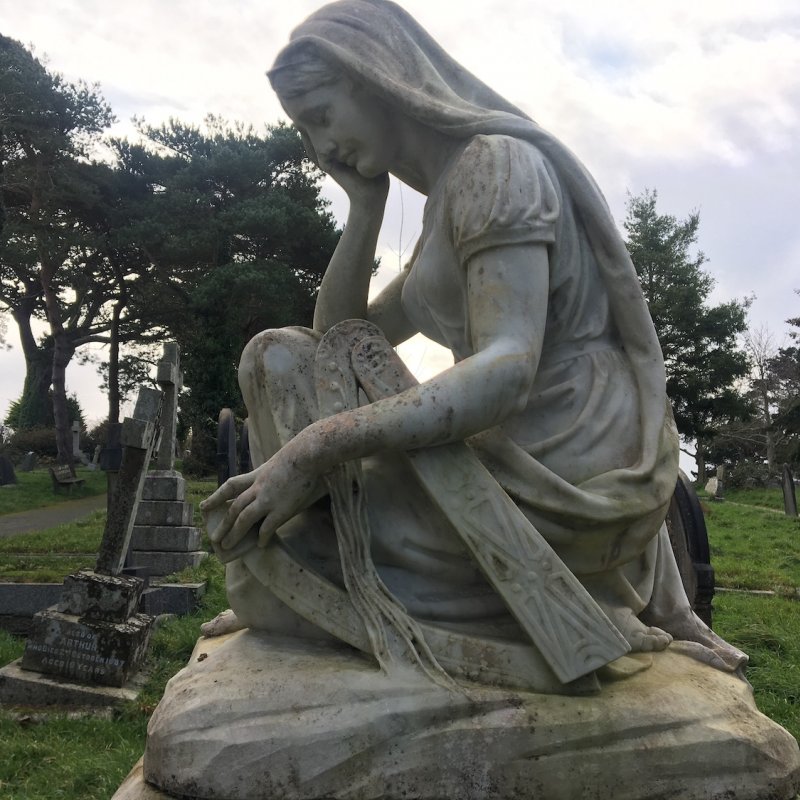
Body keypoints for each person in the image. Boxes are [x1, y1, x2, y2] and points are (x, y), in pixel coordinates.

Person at [201, 0, 743, 682]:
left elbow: (510, 366)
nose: (319, 147)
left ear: (376, 77)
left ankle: (321, 593)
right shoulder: (445, 206)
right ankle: (312, 587)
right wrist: (364, 210)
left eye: (321, 116)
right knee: (274, 355)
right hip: (504, 444)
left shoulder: (497, 167)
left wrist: (317, 445)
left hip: (558, 453)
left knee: (295, 561)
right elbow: (331, 342)